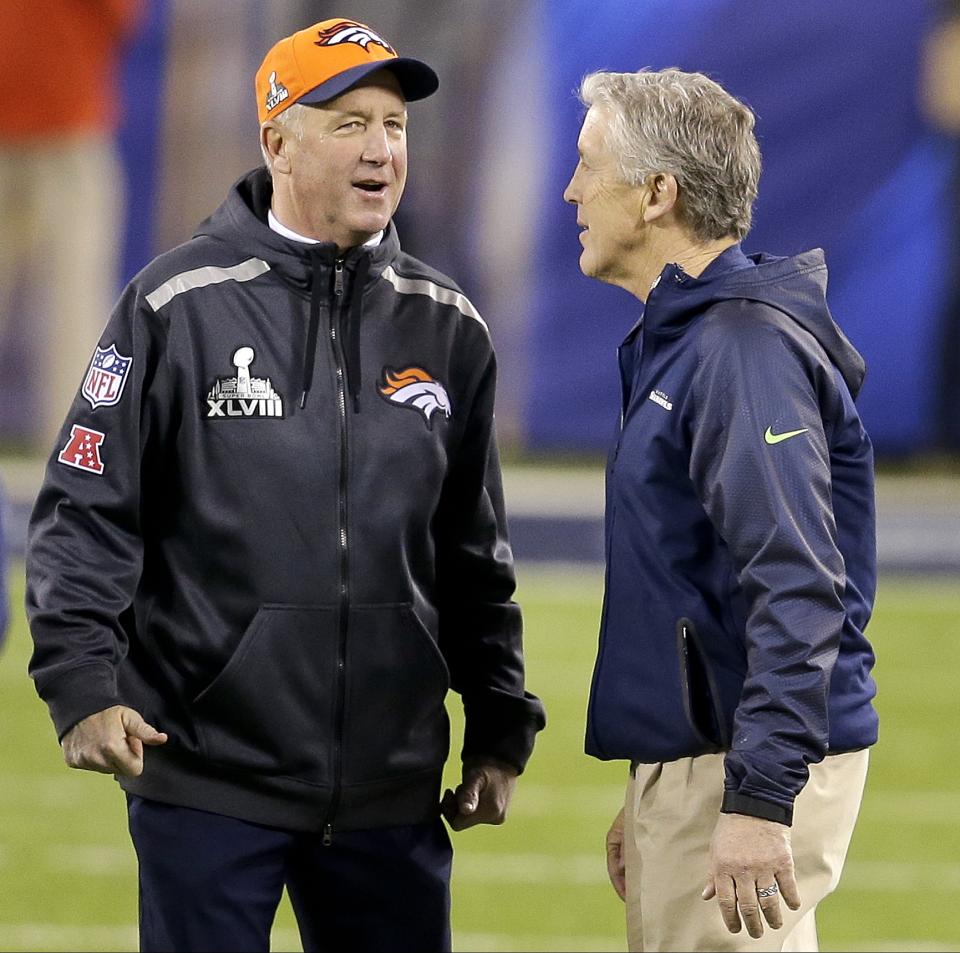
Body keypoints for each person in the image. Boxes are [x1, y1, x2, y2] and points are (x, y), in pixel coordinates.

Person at [26, 18, 545, 953]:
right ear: (277, 141)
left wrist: (500, 722)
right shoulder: (171, 305)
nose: (382, 149)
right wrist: (80, 682)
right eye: (348, 123)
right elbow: (86, 512)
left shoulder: (448, 326)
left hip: (393, 794)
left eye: (394, 124)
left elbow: (474, 552)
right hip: (206, 780)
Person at [563, 68, 878, 952]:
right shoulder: (697, 336)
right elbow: (694, 587)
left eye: (589, 166)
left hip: (742, 763)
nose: (572, 190)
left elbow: (799, 585)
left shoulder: (739, 350)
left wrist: (755, 799)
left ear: (658, 192)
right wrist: (655, 785)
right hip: (708, 758)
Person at [0, 0, 143, 450]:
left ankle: (77, 458)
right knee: (74, 309)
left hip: (71, 135)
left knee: (74, 310)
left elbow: (122, 20)